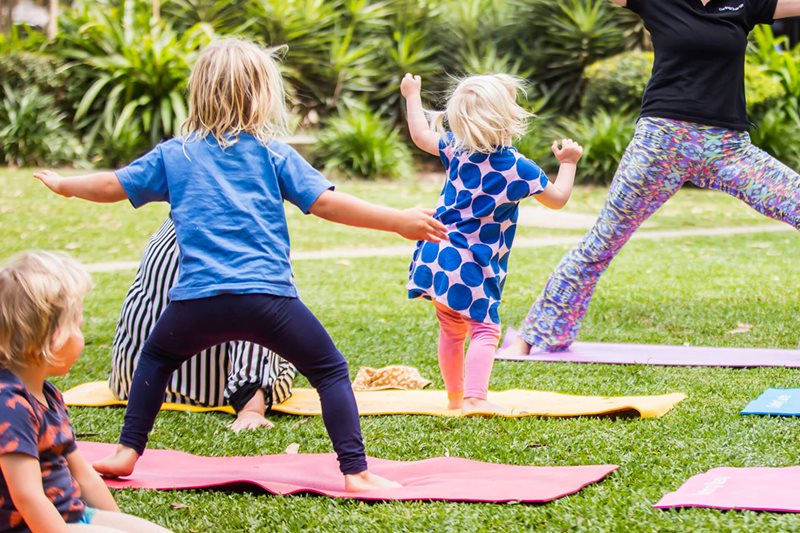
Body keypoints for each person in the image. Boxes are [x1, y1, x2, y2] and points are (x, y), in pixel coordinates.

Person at [33, 38, 448, 492]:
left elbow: (113, 184)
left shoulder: (176, 154)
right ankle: (356, 472)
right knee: (329, 370)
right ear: (262, 95)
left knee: (155, 358)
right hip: (268, 300)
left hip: (197, 303)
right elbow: (328, 204)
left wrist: (66, 185)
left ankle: (126, 452)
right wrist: (398, 222)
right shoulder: (273, 154)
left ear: (198, 92)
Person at [507, 0, 800, 356]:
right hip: (660, 142)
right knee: (603, 240)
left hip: (727, 147)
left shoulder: (745, 3)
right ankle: (534, 334)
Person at [400, 73, 583, 413]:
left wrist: (412, 95)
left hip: (436, 251)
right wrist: (569, 164)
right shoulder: (518, 168)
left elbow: (421, 135)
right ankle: (474, 398)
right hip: (472, 263)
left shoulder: (457, 149)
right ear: (508, 118)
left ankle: (455, 398)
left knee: (451, 330)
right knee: (485, 329)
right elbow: (557, 199)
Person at [0, 251, 170, 532]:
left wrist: (119, 524)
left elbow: (84, 476)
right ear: (52, 339)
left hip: (73, 516)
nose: (81, 335)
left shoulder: (49, 394)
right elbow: (28, 497)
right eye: (76, 326)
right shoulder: (10, 405)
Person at [110, 216, 296, 433]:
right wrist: (251, 408)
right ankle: (250, 397)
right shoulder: (249, 230)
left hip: (131, 383)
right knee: (267, 302)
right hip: (214, 393)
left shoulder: (168, 229)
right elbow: (257, 311)